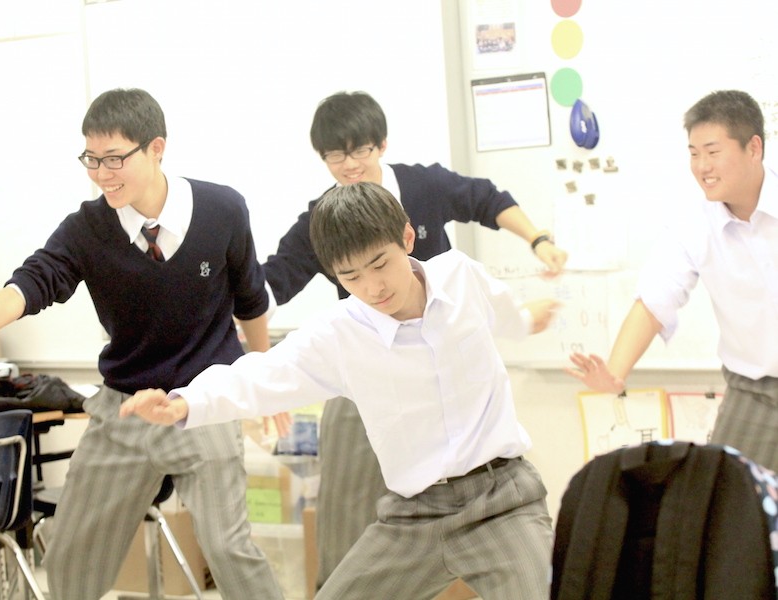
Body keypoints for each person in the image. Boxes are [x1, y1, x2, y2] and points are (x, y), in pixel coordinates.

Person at [0, 88, 284, 600]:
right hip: (122, 412)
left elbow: (250, 300)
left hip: (203, 404)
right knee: (70, 560)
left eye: (114, 159)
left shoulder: (222, 209)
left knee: (229, 547)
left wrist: (259, 387)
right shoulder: (88, 229)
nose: (102, 173)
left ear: (156, 148)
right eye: (91, 159)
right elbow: (29, 286)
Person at [122, 181, 558, 600]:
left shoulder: (460, 275)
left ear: (407, 238)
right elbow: (262, 375)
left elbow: (505, 313)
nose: (373, 287)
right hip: (415, 516)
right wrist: (183, 402)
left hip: (503, 501)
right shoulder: (340, 333)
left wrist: (524, 320)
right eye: (351, 276)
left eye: (380, 264)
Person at [262, 90, 568, 589]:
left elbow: (485, 199)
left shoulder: (422, 187)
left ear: (381, 145)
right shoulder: (325, 219)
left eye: (358, 150)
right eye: (335, 156)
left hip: (446, 376)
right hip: (370, 381)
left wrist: (538, 240)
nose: (349, 165)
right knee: (342, 523)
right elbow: (274, 282)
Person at [566, 89, 778, 472]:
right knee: (730, 503)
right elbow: (654, 300)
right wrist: (615, 373)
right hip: (754, 391)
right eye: (694, 154)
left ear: (754, 148)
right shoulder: (693, 224)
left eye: (713, 152)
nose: (702, 167)